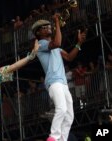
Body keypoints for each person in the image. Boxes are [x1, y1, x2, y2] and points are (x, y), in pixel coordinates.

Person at [31, 13, 87, 141]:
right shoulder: (41, 44)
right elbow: (57, 42)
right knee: (61, 109)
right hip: (53, 82)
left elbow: (69, 57)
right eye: (44, 27)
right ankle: (53, 137)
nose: (48, 27)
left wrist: (78, 44)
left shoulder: (56, 47)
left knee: (69, 115)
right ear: (38, 33)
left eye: (48, 25)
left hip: (63, 83)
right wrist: (56, 22)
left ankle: (62, 139)